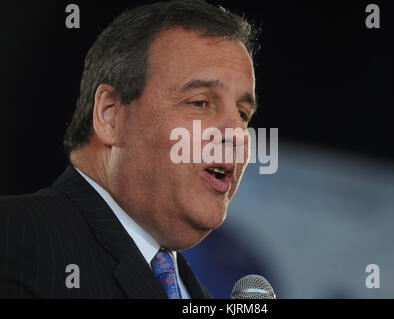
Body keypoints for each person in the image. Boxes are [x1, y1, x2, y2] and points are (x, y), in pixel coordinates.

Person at [0, 0, 259, 298]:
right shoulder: (17, 237)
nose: (237, 134)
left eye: (242, 114)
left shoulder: (199, 295)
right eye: (200, 103)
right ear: (111, 115)